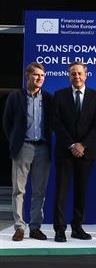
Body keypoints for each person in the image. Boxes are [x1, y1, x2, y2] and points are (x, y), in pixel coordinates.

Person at [3, 62, 53, 241]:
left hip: (43, 148)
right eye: (36, 75)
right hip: (23, 147)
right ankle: (19, 227)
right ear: (28, 76)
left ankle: (35, 227)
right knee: (19, 190)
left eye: (42, 76)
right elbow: (7, 123)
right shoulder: (15, 97)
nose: (39, 78)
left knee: (39, 190)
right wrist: (16, 141)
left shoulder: (48, 98)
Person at [52, 61, 96, 242]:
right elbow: (56, 123)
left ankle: (77, 227)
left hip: (86, 153)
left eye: (80, 73)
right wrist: (72, 145)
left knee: (81, 191)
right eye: (73, 74)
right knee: (62, 192)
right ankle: (59, 229)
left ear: (86, 75)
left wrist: (83, 145)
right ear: (69, 76)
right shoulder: (59, 95)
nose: (77, 77)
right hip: (65, 152)